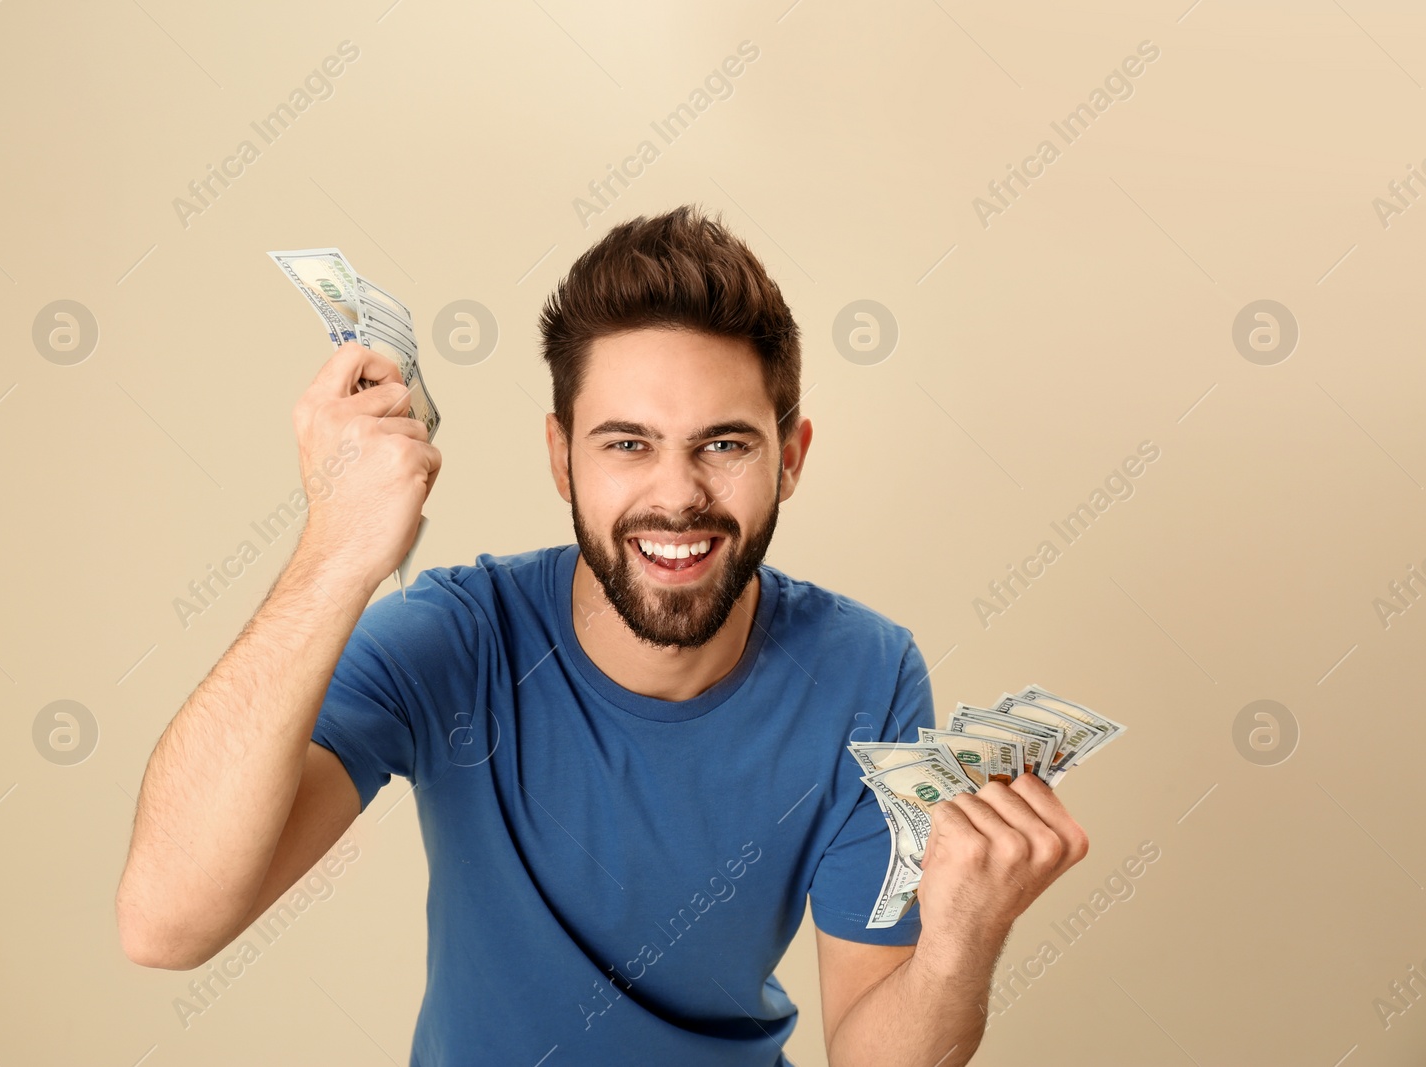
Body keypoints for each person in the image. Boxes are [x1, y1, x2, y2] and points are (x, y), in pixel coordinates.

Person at [115, 205, 1089, 1066]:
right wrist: (335, 553)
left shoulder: (865, 673)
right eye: (627, 443)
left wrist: (961, 934)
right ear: (561, 456)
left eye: (725, 442)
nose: (677, 494)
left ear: (789, 458)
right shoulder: (458, 640)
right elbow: (165, 921)